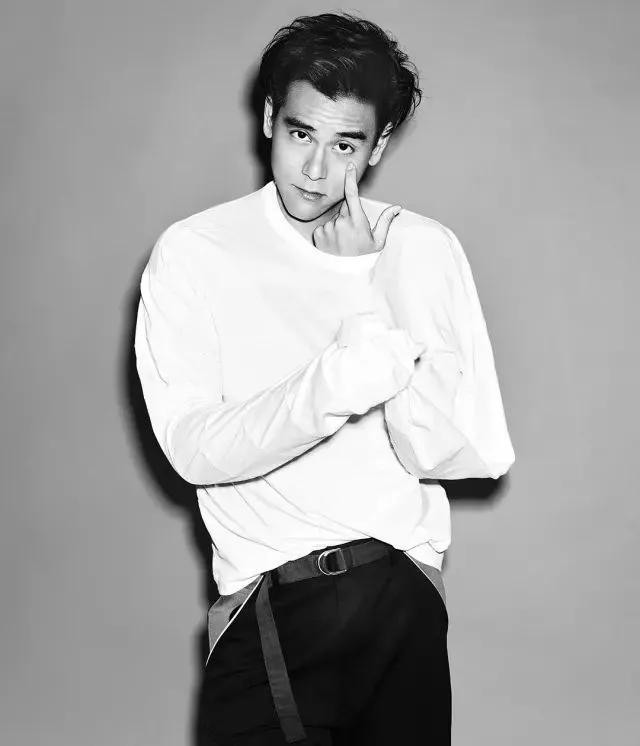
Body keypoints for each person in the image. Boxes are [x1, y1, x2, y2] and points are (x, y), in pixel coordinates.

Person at [134, 11, 515, 746]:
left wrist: (365, 288)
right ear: (269, 118)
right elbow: (194, 447)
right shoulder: (197, 253)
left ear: (379, 146)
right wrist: (344, 361)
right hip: (273, 602)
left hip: (399, 597)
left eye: (345, 146)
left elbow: (458, 450)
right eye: (300, 134)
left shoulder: (422, 248)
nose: (315, 170)